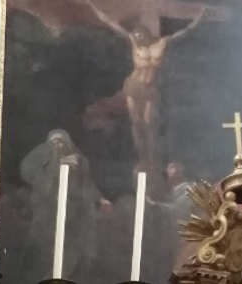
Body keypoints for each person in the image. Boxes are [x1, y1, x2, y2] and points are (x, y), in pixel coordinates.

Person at [85, 1, 206, 169]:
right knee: (136, 122)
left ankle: (152, 157)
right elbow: (110, 24)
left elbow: (184, 33)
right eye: (136, 37)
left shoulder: (161, 44)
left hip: (150, 89)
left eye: (140, 37)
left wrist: (199, 18)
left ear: (146, 35)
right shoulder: (135, 45)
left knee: (149, 123)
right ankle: (141, 156)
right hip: (134, 86)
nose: (138, 40)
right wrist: (92, 6)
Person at [16, 130, 111, 284]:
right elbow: (31, 176)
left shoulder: (77, 164)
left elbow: (87, 185)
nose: (58, 145)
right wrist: (57, 166)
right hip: (48, 218)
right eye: (53, 142)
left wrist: (101, 199)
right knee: (44, 254)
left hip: (74, 218)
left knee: (71, 255)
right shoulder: (44, 164)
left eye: (61, 141)